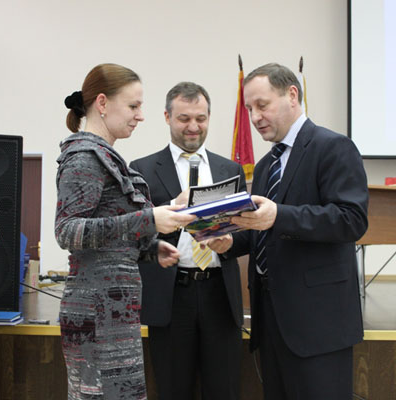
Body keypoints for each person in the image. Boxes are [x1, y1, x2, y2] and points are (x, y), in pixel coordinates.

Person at [210, 63, 369, 399]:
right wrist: (229, 242)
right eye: (249, 108)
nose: (255, 117)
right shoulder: (266, 165)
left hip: (318, 325)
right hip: (271, 321)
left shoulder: (333, 147)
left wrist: (279, 215)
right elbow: (262, 231)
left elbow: (351, 219)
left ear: (292, 95)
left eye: (262, 105)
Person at [55, 64, 195, 399]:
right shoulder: (84, 158)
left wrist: (150, 247)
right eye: (133, 106)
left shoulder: (105, 156)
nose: (140, 116)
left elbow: (109, 238)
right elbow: (68, 231)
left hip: (114, 313)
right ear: (102, 103)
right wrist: (148, 220)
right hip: (95, 315)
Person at [130, 82, 245, 400]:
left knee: (224, 390)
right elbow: (134, 234)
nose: (193, 126)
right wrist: (172, 211)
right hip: (171, 296)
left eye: (201, 118)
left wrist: (230, 243)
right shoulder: (141, 170)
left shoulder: (230, 169)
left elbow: (248, 232)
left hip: (220, 295)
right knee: (173, 389)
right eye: (184, 118)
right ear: (167, 117)